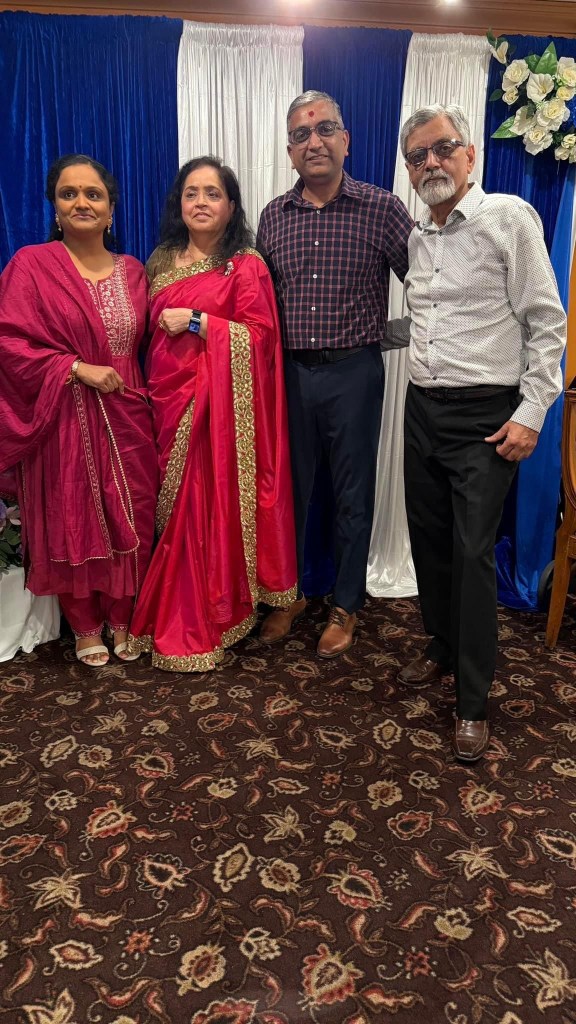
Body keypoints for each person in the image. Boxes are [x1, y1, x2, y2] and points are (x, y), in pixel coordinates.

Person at [397, 104, 566, 761]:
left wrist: (531, 412)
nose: (431, 163)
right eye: (417, 156)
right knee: (430, 541)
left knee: (471, 554)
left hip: (486, 418)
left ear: (470, 155)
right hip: (422, 409)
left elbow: (546, 322)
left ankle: (472, 700)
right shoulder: (418, 236)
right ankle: (442, 646)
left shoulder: (508, 218)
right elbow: (428, 320)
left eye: (442, 148)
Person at [257, 90, 413, 658]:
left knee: (352, 494)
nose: (314, 142)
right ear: (290, 151)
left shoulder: (382, 208)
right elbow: (258, 305)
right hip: (290, 375)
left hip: (354, 375)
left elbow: (430, 285)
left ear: (345, 140)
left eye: (325, 129)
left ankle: (346, 603)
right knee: (289, 493)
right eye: (301, 134)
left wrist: (381, 336)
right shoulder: (273, 217)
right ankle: (291, 593)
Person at [128, 157, 297, 671]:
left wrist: (200, 321)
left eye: (213, 193)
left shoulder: (245, 264)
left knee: (202, 503)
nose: (200, 202)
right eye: (191, 193)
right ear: (178, 203)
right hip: (164, 401)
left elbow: (262, 339)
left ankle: (206, 609)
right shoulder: (159, 261)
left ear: (231, 205)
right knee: (169, 505)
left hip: (214, 412)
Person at [0, 155, 158, 666]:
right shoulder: (31, 265)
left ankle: (122, 614)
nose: (81, 202)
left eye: (93, 194)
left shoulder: (135, 272)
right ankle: (85, 624)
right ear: (55, 207)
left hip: (127, 412)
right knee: (70, 512)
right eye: (69, 194)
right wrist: (73, 367)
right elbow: (8, 341)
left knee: (131, 511)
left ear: (112, 209)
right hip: (63, 415)